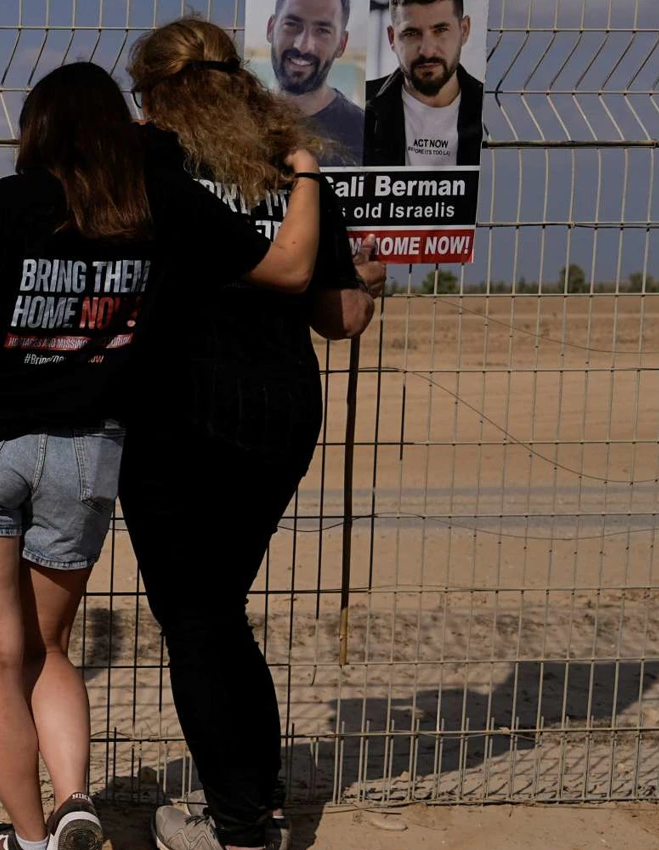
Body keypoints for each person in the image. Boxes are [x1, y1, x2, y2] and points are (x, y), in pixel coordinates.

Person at [0, 62, 325, 850]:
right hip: (84, 451)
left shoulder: (5, 203)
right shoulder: (155, 205)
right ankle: (74, 797)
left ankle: (32, 840)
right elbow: (289, 269)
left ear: (37, 131)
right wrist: (306, 174)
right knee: (49, 647)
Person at [126, 18, 388, 850]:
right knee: (221, 612)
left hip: (178, 413)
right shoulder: (293, 169)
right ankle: (259, 796)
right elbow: (339, 315)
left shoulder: (152, 166)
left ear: (157, 93)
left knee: (196, 621)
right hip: (279, 413)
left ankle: (238, 827)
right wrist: (370, 282)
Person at [364, 0, 483, 166]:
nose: (427, 51)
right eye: (411, 33)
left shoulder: (491, 111)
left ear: (464, 30)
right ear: (392, 38)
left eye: (440, 30)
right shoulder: (359, 110)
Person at [263, 0, 365, 164]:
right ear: (271, 29)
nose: (303, 47)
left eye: (322, 31)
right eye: (292, 24)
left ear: (341, 44)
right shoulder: (239, 121)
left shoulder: (363, 133)